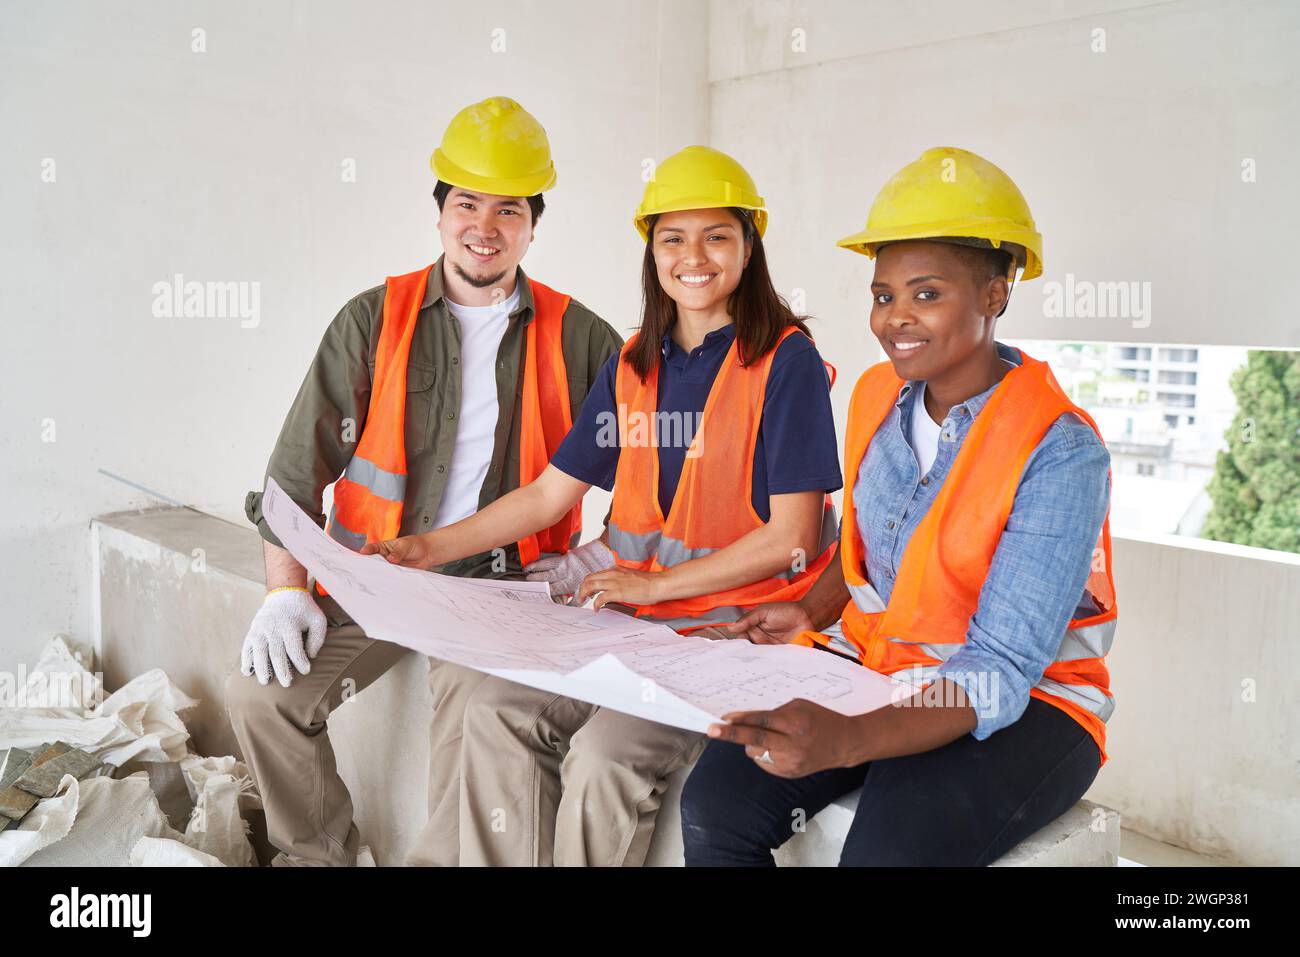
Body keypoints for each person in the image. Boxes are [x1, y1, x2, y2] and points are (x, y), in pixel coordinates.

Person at [367, 146, 843, 865]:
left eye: (717, 235)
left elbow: (793, 534)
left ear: (750, 245)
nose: (694, 257)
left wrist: (653, 586)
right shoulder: (635, 363)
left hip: (733, 634)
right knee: (495, 710)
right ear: (651, 250)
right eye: (672, 238)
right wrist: (427, 549)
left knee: (602, 760)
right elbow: (549, 493)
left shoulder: (784, 360)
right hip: (634, 627)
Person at [680, 146, 1117, 866]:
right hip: (881, 666)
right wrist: (811, 612)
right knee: (717, 802)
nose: (895, 319)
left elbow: (999, 667)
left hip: (1028, 704)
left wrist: (847, 736)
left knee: (890, 846)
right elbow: (873, 548)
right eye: (884, 296)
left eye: (927, 294)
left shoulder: (1059, 450)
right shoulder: (876, 396)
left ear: (994, 295)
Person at [226, 96, 622, 866]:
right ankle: (321, 856)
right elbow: (293, 476)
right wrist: (284, 591)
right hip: (372, 575)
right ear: (440, 213)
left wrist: (597, 556)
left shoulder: (581, 338)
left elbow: (658, 470)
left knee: (479, 726)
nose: (485, 225)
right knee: (261, 698)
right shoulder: (374, 320)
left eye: (508, 209)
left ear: (533, 225)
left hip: (498, 590)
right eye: (467, 203)